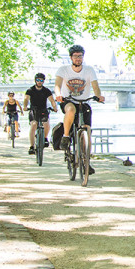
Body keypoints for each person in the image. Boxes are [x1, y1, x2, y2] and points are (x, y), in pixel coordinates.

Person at [54, 45, 105, 173]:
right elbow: (57, 85)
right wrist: (58, 94)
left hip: (84, 102)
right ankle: (66, 136)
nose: (78, 58)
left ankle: (86, 161)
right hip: (68, 100)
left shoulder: (89, 70)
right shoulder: (63, 70)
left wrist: (98, 96)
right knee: (71, 110)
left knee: (87, 130)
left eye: (80, 56)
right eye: (75, 56)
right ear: (71, 57)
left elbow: (95, 86)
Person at [23, 72, 58, 155]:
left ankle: (45, 138)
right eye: (38, 80)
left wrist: (55, 107)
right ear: (35, 80)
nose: (39, 82)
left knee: (46, 124)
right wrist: (25, 106)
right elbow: (26, 99)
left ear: (43, 81)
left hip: (43, 110)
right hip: (33, 110)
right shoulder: (30, 90)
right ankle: (32, 146)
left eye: (41, 80)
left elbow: (52, 100)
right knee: (34, 124)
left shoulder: (46, 91)